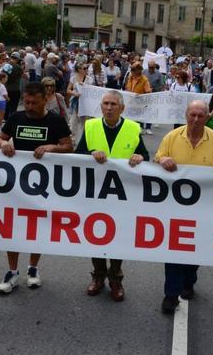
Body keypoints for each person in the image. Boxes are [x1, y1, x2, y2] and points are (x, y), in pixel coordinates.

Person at [0, 82, 73, 294]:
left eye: (34, 103)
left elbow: (69, 146)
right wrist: (4, 144)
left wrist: (51, 147)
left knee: (37, 228)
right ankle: (12, 271)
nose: (29, 106)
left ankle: (33, 268)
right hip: (16, 185)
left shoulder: (55, 120)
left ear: (45, 100)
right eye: (26, 102)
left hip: (43, 187)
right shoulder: (16, 118)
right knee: (12, 228)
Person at [155, 100, 213, 314]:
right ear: (186, 115)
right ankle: (170, 294)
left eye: (200, 116)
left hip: (203, 208)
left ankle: (189, 280)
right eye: (192, 115)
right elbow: (157, 158)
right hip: (174, 206)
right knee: (173, 251)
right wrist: (162, 159)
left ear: (207, 117)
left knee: (195, 249)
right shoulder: (171, 137)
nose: (195, 120)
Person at [75, 90, 149, 302]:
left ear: (122, 108)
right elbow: (77, 155)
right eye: (105, 104)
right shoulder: (91, 126)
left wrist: (139, 156)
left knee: (118, 238)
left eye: (113, 104)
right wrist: (90, 154)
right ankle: (98, 276)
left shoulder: (133, 128)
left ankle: (116, 278)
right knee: (95, 236)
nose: (108, 108)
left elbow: (145, 155)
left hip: (122, 195)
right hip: (95, 194)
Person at [4, 51, 25, 117]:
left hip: (6, 88)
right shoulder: (18, 67)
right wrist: (22, 67)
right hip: (15, 88)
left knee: (7, 104)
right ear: (17, 59)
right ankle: (12, 117)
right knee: (14, 105)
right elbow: (22, 75)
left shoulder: (5, 65)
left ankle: (5, 117)